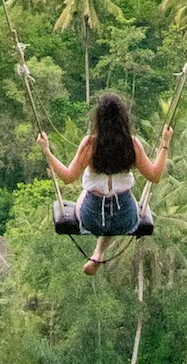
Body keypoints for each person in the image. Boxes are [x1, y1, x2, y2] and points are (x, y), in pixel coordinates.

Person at [39, 91, 172, 273]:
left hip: (92, 219)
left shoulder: (90, 145)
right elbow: (155, 176)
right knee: (117, 216)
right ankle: (98, 253)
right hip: (124, 219)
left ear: (98, 119)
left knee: (87, 198)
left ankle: (98, 253)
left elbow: (68, 177)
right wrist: (165, 144)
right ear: (124, 119)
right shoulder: (132, 145)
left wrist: (47, 151)